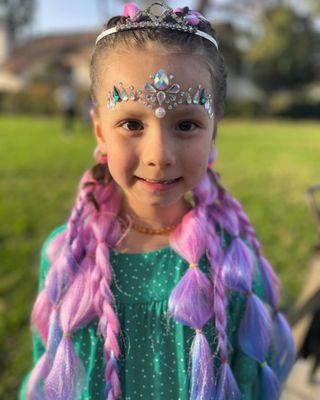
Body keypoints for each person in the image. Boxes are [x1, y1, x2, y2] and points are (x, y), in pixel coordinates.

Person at [19, 2, 296, 399]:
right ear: (99, 132)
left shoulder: (233, 267)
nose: (158, 154)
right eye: (132, 124)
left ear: (213, 132)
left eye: (186, 124)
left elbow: (249, 382)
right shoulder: (66, 257)